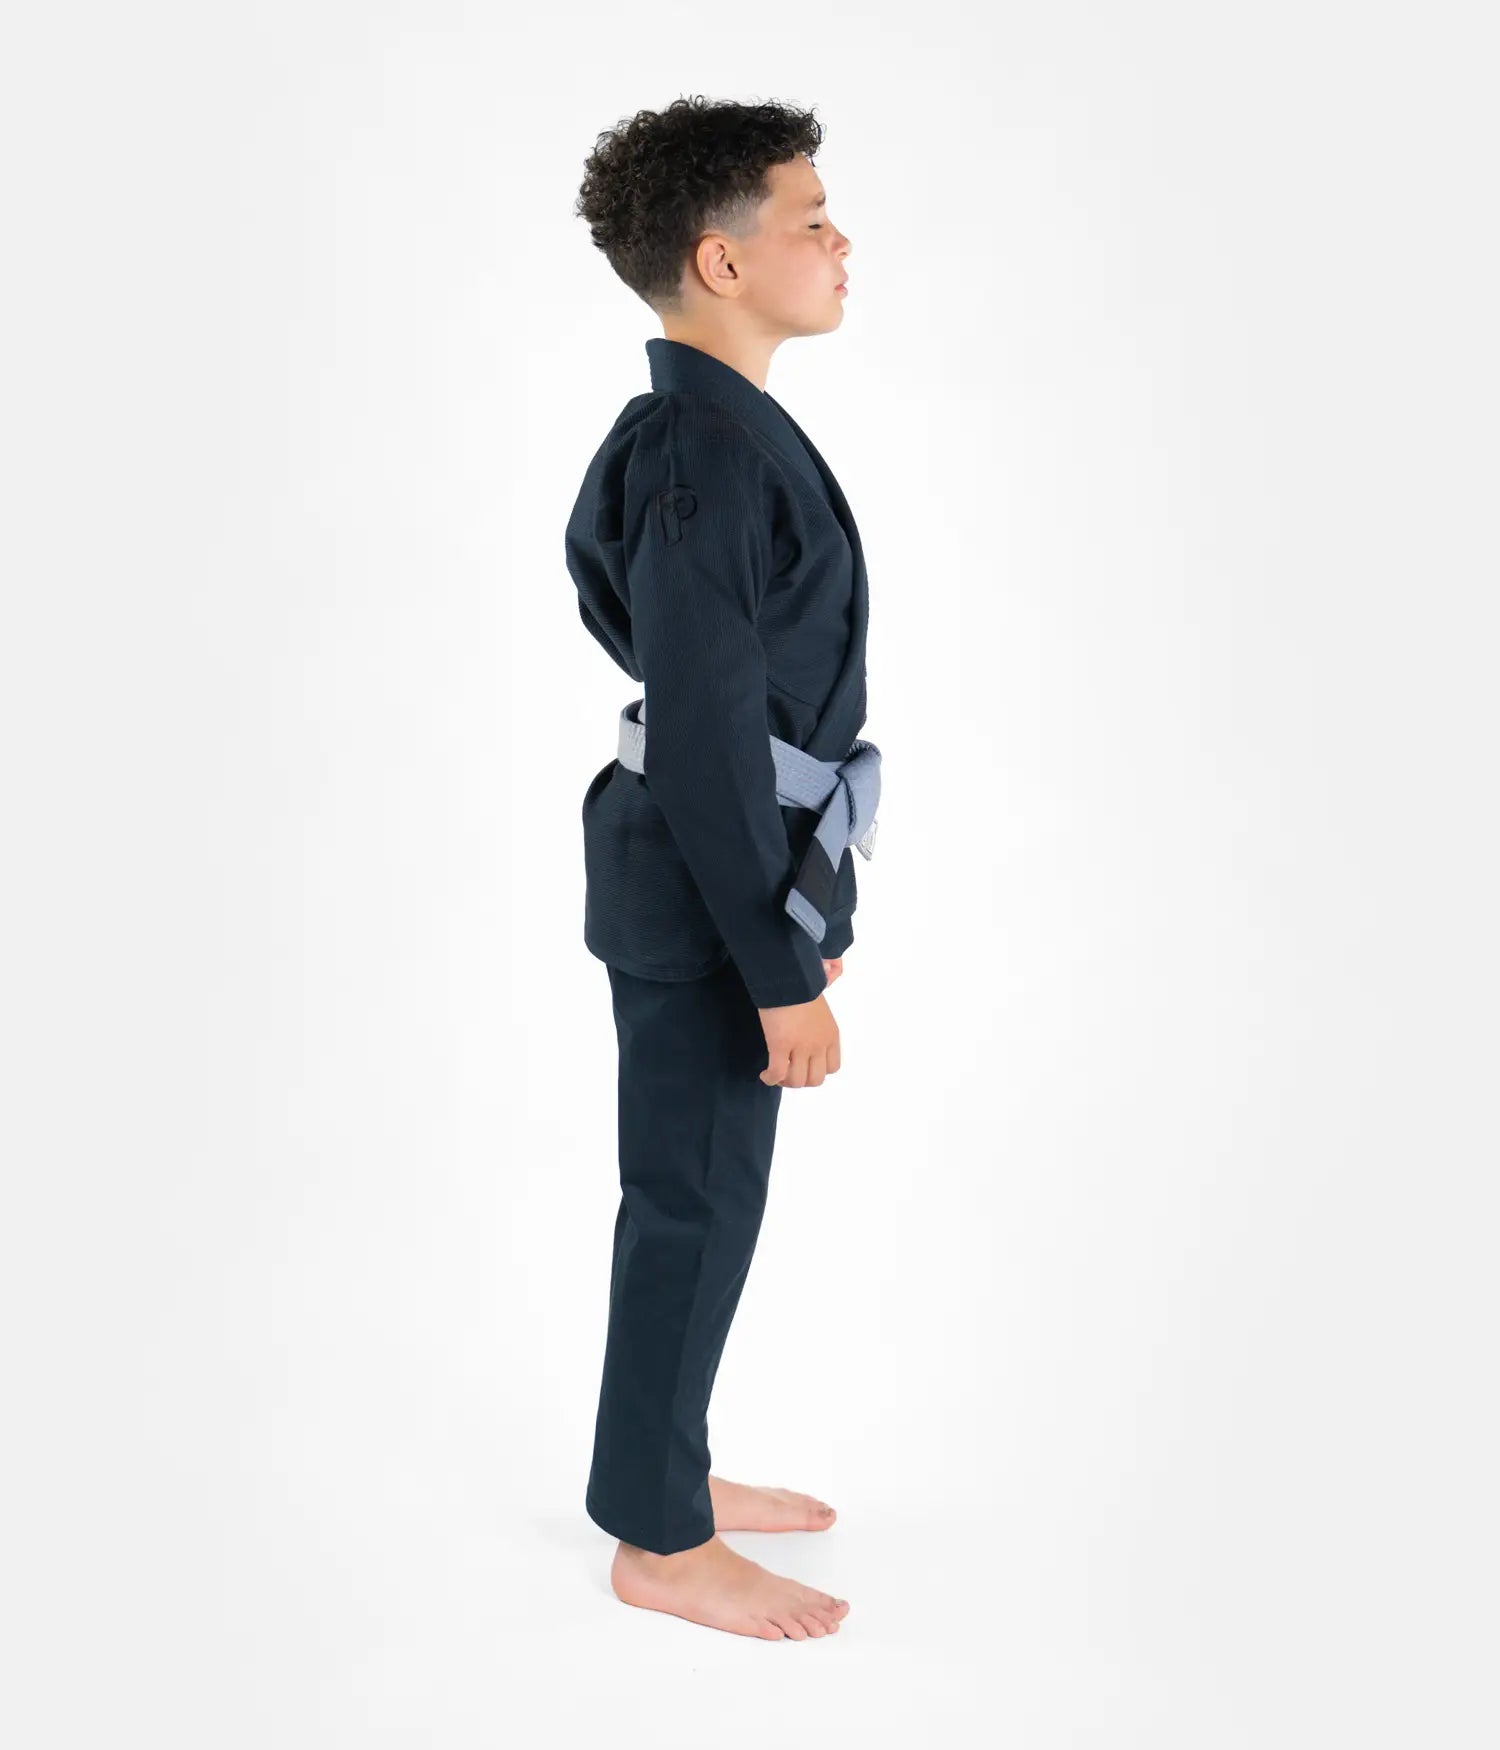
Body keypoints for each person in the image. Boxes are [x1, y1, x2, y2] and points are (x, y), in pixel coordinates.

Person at [563, 95, 875, 1642]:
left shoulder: (706, 434)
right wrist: (777, 966)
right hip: (701, 892)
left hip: (718, 870)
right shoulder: (696, 454)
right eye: (811, 217)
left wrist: (799, 903)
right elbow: (701, 737)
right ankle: (661, 1539)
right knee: (690, 1200)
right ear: (720, 261)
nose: (840, 239)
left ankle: (663, 1465)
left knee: (705, 1196)